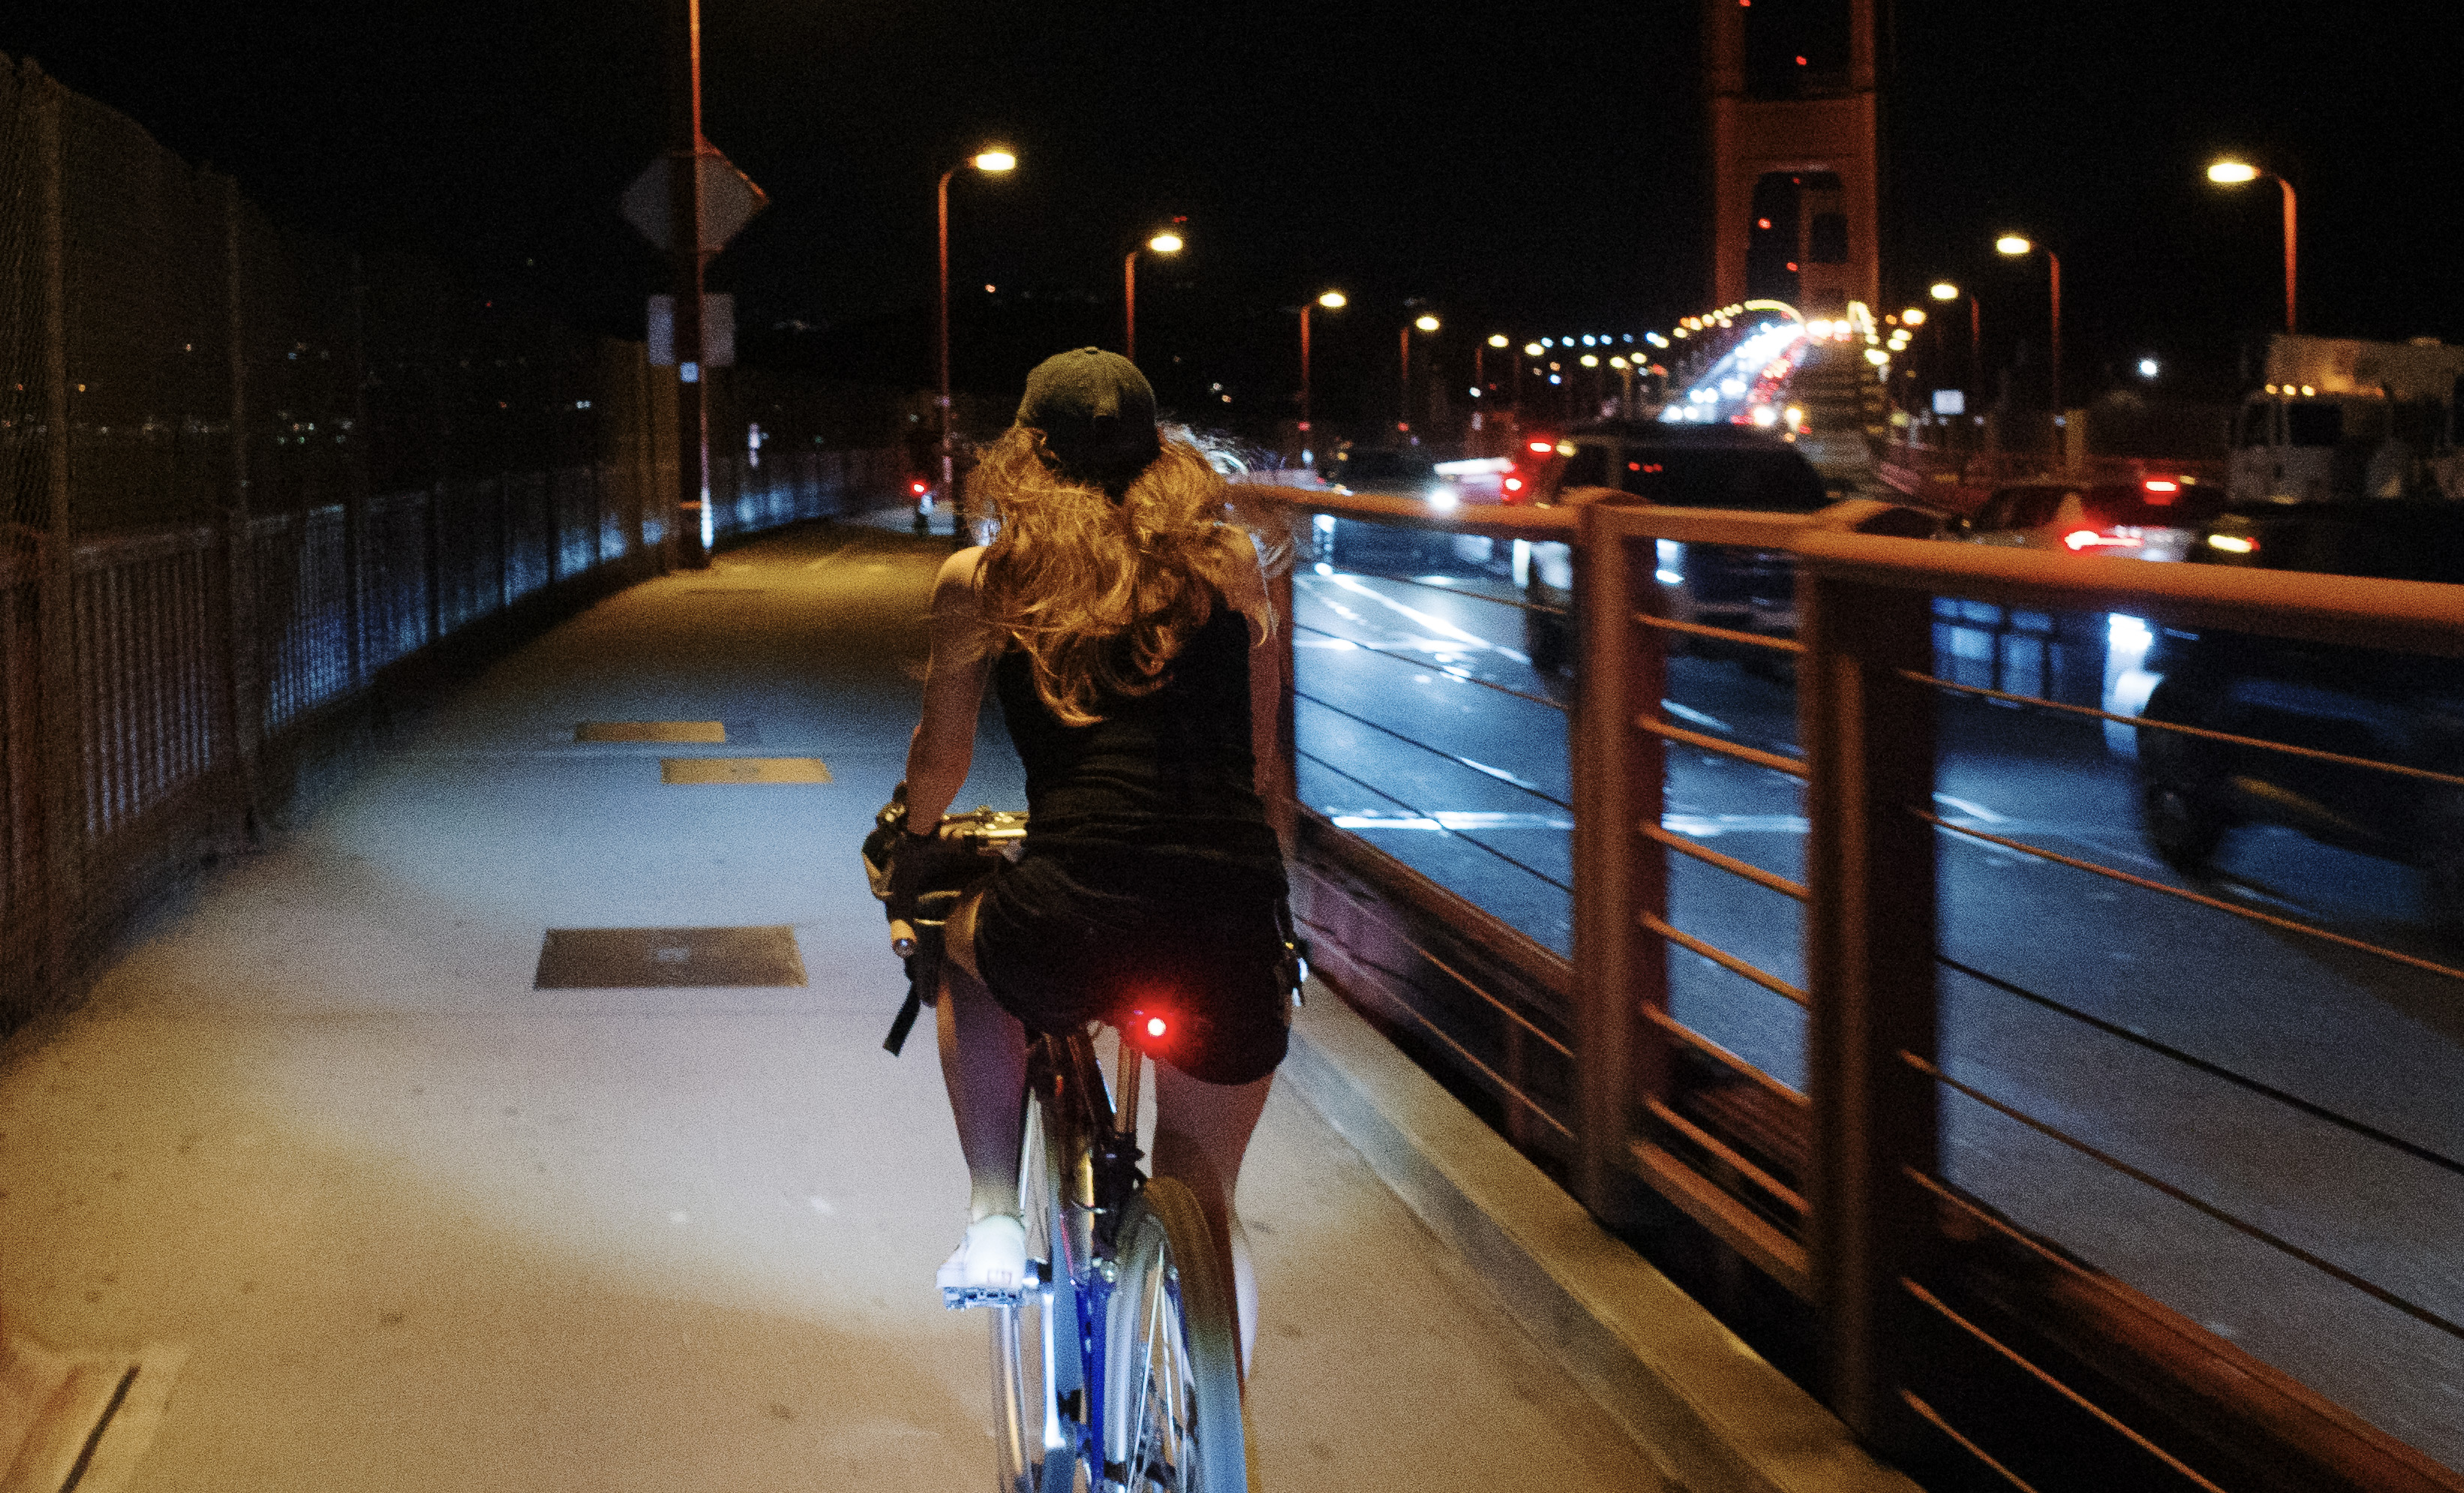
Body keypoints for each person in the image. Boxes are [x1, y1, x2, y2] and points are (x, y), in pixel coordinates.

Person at [894, 347, 1293, 1370]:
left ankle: (993, 1215)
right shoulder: (1233, 566)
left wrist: (917, 846)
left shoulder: (985, 578)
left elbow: (941, 760)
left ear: (1027, 455)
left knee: (970, 956)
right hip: (1228, 914)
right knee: (1208, 1199)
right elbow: (1258, 767)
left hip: (1072, 905)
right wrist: (1267, 900)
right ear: (1163, 454)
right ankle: (1218, 1447)